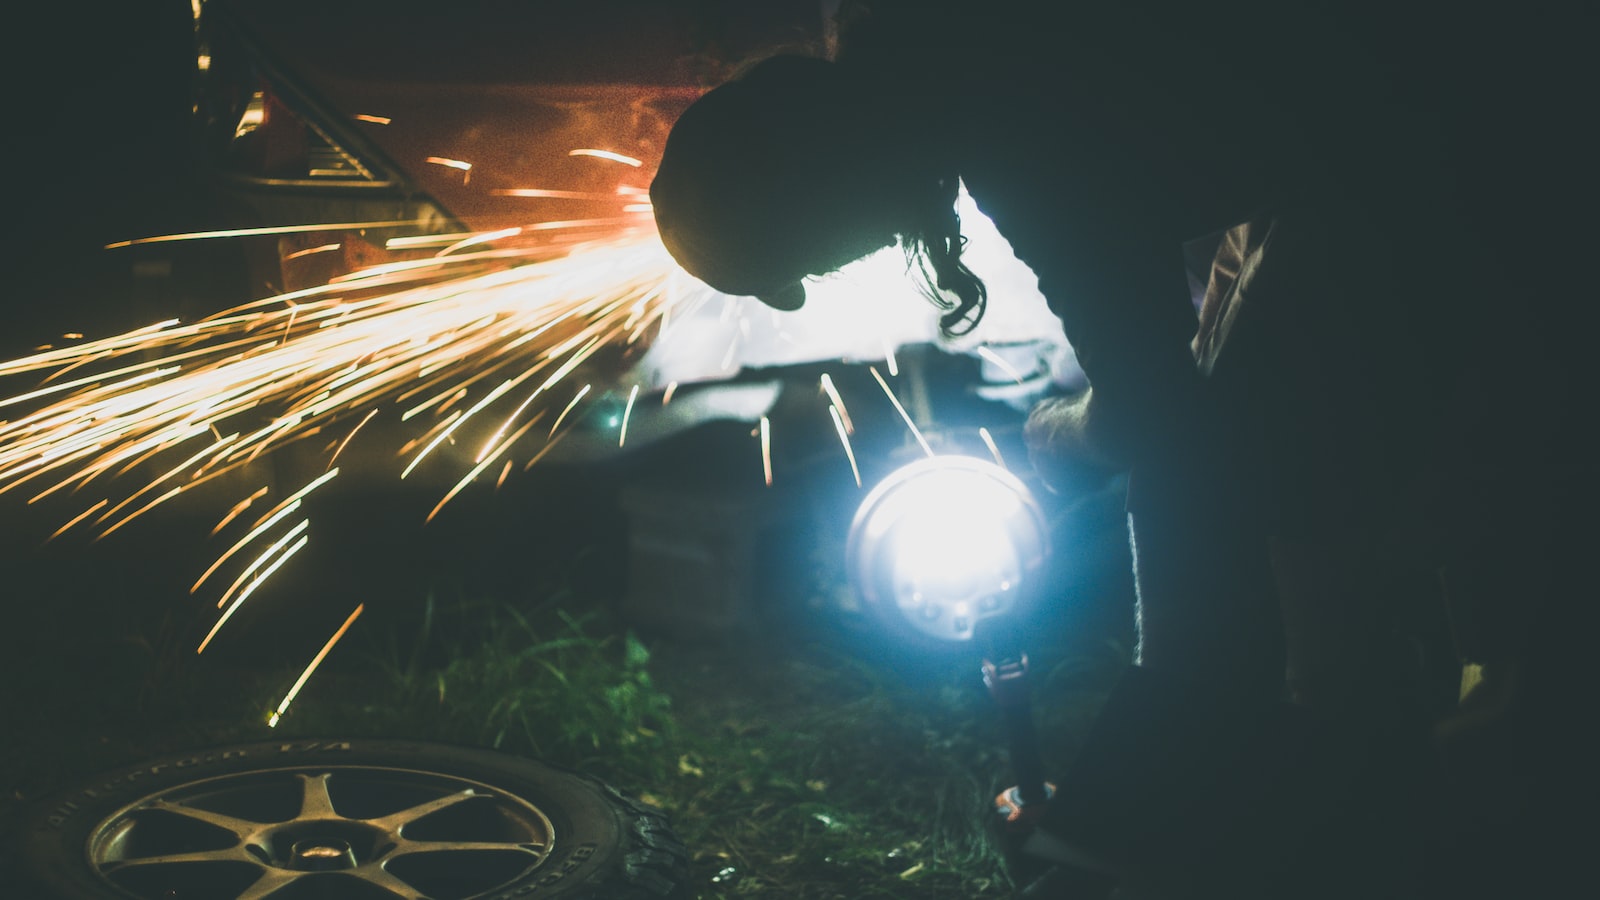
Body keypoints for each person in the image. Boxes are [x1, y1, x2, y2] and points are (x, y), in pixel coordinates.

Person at [650, 1, 1584, 895]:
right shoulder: (932, 56)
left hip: (1471, 138)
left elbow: (1156, 421)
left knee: (1298, 473)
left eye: (805, 261)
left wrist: (1053, 440)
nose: (818, 283)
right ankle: (1293, 772)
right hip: (1371, 150)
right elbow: (1179, 399)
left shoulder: (1018, 127)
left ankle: (1456, 792)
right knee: (1247, 430)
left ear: (815, 179)